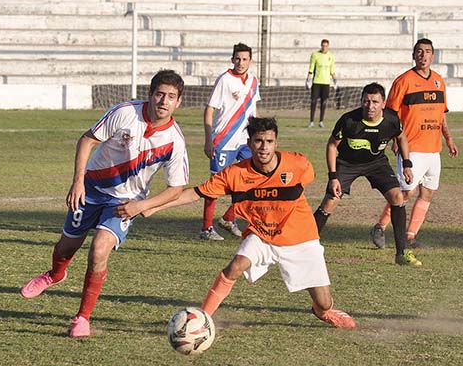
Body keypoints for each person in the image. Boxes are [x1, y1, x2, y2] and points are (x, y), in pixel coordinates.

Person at [19, 69, 189, 338]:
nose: (163, 101)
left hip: (124, 202)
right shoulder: (125, 113)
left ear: (178, 102)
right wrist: (77, 181)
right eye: (159, 94)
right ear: (150, 94)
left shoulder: (175, 141)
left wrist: (141, 206)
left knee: (99, 250)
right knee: (67, 245)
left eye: (170, 97)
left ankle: (82, 318)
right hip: (91, 189)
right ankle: (55, 274)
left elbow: (176, 188)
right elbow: (87, 140)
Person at [144, 117, 355, 328]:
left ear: (276, 143)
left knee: (324, 302)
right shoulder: (235, 174)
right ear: (249, 143)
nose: (264, 147)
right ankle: (201, 320)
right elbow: (194, 193)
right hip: (262, 234)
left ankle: (323, 311)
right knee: (234, 267)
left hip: (300, 237)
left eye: (269, 141)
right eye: (258, 141)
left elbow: (309, 179)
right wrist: (154, 206)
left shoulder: (298, 164)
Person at [312, 83, 422, 267]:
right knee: (331, 200)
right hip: (347, 163)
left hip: (376, 163)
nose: (370, 106)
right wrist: (333, 176)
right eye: (366, 101)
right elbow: (332, 145)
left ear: (383, 103)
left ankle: (401, 253)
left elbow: (401, 137)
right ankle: (306, 247)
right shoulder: (349, 120)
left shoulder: (391, 119)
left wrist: (407, 165)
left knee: (397, 197)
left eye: (375, 102)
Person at [370, 38, 459, 249]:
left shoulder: (438, 81)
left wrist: (449, 139)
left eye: (427, 51)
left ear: (433, 56)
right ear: (413, 55)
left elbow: (441, 114)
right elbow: (390, 115)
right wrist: (394, 140)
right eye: (419, 51)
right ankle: (380, 227)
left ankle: (410, 236)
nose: (423, 55)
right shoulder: (404, 81)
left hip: (433, 149)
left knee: (428, 192)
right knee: (406, 192)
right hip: (411, 147)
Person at [200, 42, 261, 241]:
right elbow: (209, 109)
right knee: (215, 185)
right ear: (232, 59)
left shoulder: (253, 81)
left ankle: (229, 217)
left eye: (244, 59)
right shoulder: (224, 80)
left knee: (254, 178)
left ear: (250, 61)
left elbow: (253, 109)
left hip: (245, 141)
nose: (241, 62)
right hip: (224, 140)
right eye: (237, 58)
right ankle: (206, 228)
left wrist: (257, 135)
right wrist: (209, 140)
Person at [306, 39, 336, 128]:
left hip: (326, 83)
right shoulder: (315, 55)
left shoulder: (331, 56)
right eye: (323, 46)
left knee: (324, 102)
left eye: (326, 46)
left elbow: (332, 69)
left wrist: (335, 81)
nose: (324, 47)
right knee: (314, 101)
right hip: (316, 82)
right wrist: (308, 80)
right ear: (321, 46)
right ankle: (311, 121)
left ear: (328, 46)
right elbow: (311, 67)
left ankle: (321, 121)